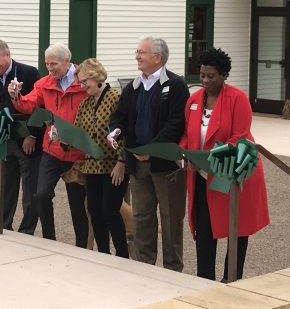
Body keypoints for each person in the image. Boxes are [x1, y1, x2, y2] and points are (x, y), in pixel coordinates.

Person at [180, 48, 269, 281]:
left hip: (229, 174)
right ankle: (204, 280)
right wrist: (185, 154)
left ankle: (231, 279)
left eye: (211, 76)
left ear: (224, 75)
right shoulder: (193, 100)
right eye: (202, 75)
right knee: (205, 229)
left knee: (235, 229)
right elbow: (187, 134)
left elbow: (239, 136)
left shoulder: (237, 98)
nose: (205, 80)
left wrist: (209, 159)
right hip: (201, 175)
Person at [108, 36, 189, 271]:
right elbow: (120, 115)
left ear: (157, 57)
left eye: (141, 52)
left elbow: (176, 123)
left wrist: (151, 150)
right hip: (138, 163)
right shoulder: (134, 86)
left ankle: (173, 269)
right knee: (142, 217)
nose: (137, 56)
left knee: (171, 218)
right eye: (136, 52)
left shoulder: (176, 85)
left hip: (165, 165)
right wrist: (115, 131)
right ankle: (145, 266)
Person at [8, 43, 89, 247]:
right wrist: (15, 96)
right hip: (51, 149)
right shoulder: (44, 83)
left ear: (67, 62)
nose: (50, 68)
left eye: (54, 64)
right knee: (41, 194)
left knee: (77, 204)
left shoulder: (84, 82)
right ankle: (49, 239)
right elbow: (28, 104)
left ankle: (82, 246)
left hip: (77, 152)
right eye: (47, 64)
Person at [0, 39, 42, 235]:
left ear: (7, 55)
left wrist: (32, 135)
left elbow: (39, 107)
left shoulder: (29, 73)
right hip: (3, 140)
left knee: (30, 190)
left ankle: (27, 230)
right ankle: (3, 225)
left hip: (26, 141)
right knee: (3, 186)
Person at [74, 58, 129, 258]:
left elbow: (126, 130)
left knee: (110, 210)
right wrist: (60, 136)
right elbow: (78, 133)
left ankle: (122, 255)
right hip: (92, 166)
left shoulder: (116, 97)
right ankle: (103, 254)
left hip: (114, 165)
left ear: (96, 77)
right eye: (80, 83)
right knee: (94, 211)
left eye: (84, 81)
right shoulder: (85, 104)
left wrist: (122, 161)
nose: (82, 86)